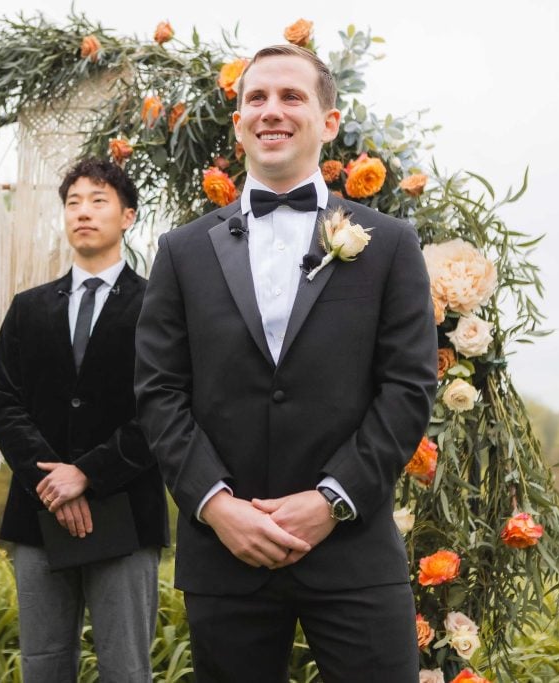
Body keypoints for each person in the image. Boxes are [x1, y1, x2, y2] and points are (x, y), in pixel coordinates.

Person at [135, 44, 437, 683]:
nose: (272, 111)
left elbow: (408, 388)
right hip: (226, 553)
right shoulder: (181, 251)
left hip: (354, 553)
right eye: (256, 98)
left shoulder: (389, 245)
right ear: (239, 121)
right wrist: (217, 506)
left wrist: (332, 500)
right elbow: (159, 392)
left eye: (291, 96)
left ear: (329, 122)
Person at [0, 158, 168, 683]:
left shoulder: (160, 305)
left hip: (127, 510)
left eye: (98, 200)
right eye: (72, 202)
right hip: (37, 512)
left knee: (126, 669)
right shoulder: (27, 308)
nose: (82, 212)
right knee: (42, 666)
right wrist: (52, 479)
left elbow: (164, 405)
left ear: (128, 216)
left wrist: (86, 473)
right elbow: (3, 400)